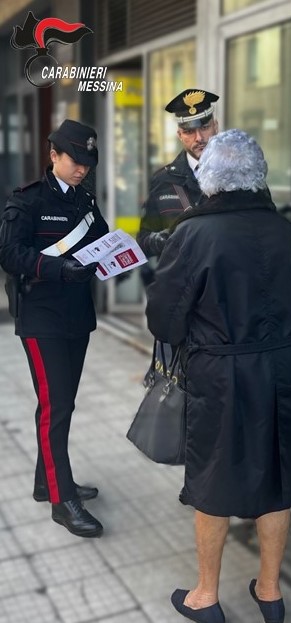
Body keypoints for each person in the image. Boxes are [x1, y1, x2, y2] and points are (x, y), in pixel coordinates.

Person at [145, 129, 291, 623]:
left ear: (212, 182)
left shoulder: (194, 234)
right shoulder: (286, 231)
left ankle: (205, 597)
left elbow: (164, 319)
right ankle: (269, 591)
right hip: (285, 367)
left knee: (213, 479)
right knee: (278, 478)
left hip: (222, 373)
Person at [0, 119, 109, 538]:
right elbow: (9, 254)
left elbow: (99, 240)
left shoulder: (85, 199)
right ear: (53, 154)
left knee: (62, 404)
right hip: (40, 318)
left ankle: (47, 481)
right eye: (75, 159)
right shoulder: (26, 201)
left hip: (76, 316)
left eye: (88, 161)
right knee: (55, 406)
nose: (82, 168)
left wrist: (121, 253)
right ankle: (62, 502)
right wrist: (58, 267)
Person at [137, 88, 219, 267]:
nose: (199, 138)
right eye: (190, 132)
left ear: (216, 126)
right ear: (180, 136)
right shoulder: (163, 180)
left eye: (204, 127)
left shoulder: (240, 175)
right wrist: (161, 240)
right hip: (180, 286)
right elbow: (144, 240)